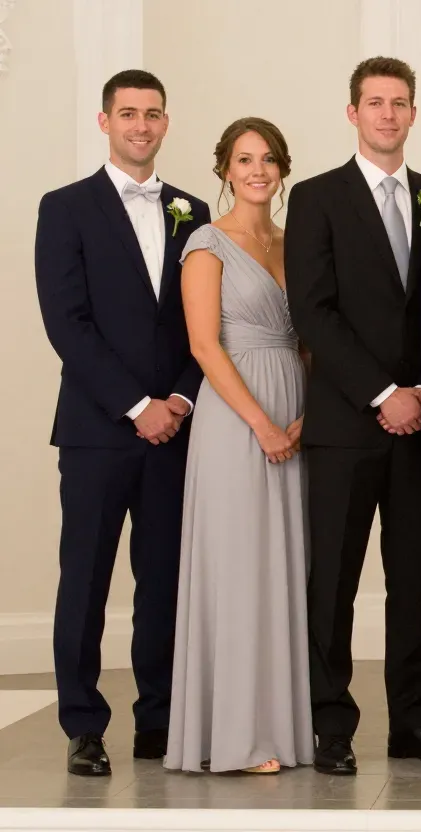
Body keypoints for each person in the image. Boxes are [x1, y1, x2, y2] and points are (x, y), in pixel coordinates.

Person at [33, 70, 209, 777]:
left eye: (153, 114)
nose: (141, 125)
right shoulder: (65, 207)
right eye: (128, 114)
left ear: (167, 123)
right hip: (98, 430)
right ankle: (82, 724)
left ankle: (158, 720)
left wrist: (181, 401)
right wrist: (138, 407)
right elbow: (67, 323)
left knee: (163, 583)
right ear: (105, 122)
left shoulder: (192, 211)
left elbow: (208, 327)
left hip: (176, 430)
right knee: (86, 579)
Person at [285, 57, 421, 776]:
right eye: (375, 103)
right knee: (334, 582)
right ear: (353, 113)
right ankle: (329, 724)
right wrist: (385, 393)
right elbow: (313, 312)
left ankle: (411, 721)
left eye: (400, 103)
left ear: (414, 114)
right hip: (347, 425)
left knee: (414, 582)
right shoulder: (317, 198)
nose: (388, 114)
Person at [164, 118, 314, 774]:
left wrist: (306, 412)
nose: (258, 170)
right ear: (225, 168)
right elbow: (203, 345)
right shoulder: (206, 243)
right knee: (239, 570)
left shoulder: (293, 242)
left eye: (269, 159)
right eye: (245, 159)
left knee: (282, 570)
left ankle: (278, 730)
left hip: (295, 414)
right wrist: (260, 422)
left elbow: (309, 336)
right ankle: (233, 737)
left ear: (283, 168)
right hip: (235, 419)